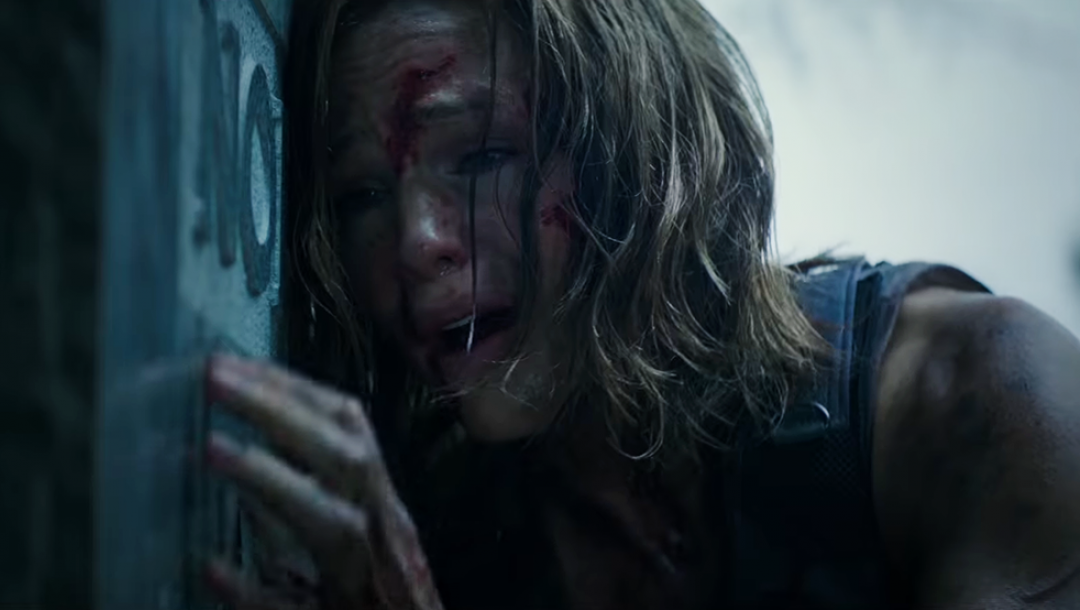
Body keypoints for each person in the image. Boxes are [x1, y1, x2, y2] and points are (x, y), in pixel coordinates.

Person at [198, 0, 1080, 608]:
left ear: (639, 145)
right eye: (360, 195)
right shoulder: (428, 518)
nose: (416, 239)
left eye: (482, 156)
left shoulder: (974, 404)